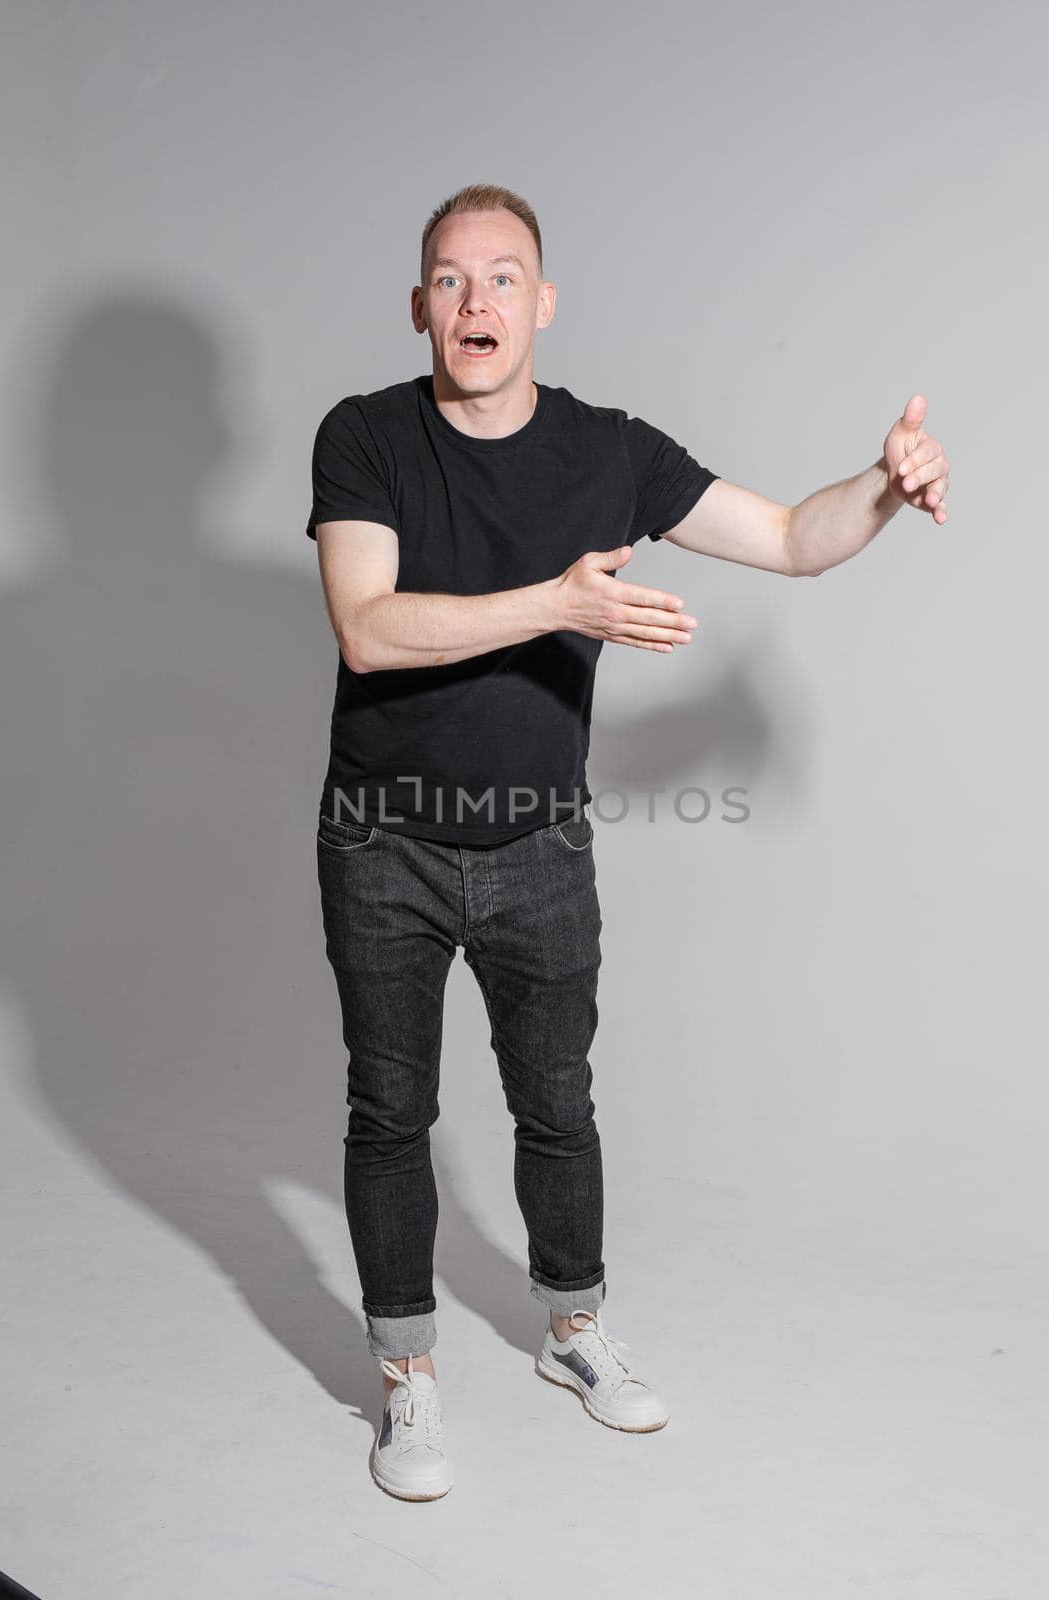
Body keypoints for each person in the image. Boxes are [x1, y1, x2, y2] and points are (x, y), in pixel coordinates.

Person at [305, 183, 950, 1501]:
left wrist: (881, 488)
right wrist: (556, 601)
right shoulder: (366, 436)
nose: (475, 302)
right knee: (392, 1111)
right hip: (383, 843)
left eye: (502, 279)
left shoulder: (608, 453)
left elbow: (783, 538)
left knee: (559, 1104)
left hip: (539, 840)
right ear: (420, 304)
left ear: (541, 305)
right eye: (449, 278)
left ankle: (573, 1331)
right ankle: (408, 1374)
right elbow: (367, 629)